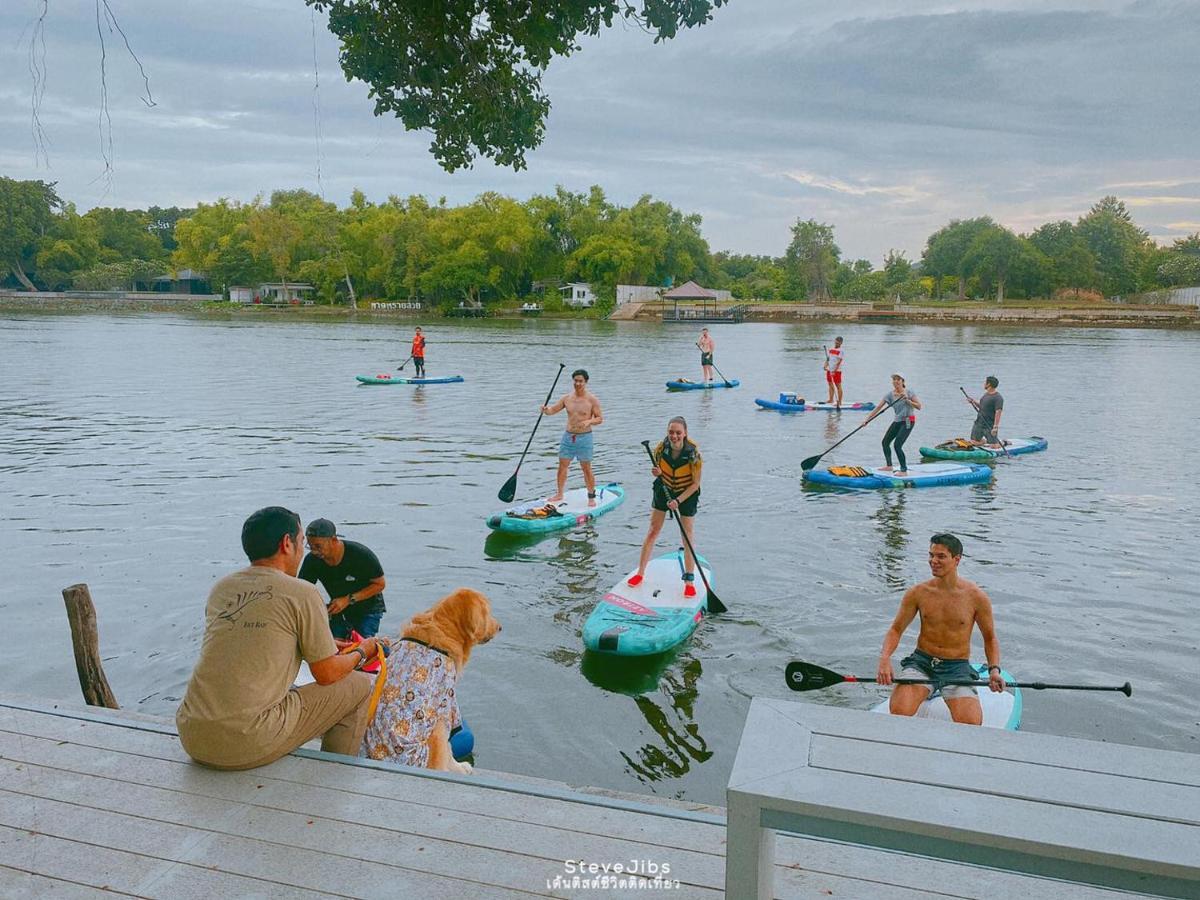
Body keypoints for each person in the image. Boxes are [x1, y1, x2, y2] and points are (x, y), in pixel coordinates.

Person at [176, 506, 383, 770]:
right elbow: (327, 674)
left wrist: (325, 645)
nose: (303, 550)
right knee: (359, 684)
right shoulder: (303, 593)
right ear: (287, 543)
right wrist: (363, 651)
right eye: (301, 542)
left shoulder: (222, 588)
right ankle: (334, 778)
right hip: (246, 742)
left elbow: (255, 640)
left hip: (193, 735)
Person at [877, 533, 1004, 726]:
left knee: (971, 724)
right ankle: (926, 690)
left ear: (957, 559)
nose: (933, 561)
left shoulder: (976, 597)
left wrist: (994, 670)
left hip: (956, 668)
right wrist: (884, 660)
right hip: (922, 664)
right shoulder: (918, 593)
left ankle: (935, 691)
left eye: (941, 556)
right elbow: (896, 630)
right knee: (899, 712)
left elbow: (990, 639)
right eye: (931, 555)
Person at [628, 416, 703, 597]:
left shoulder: (694, 455)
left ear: (685, 434)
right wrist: (657, 473)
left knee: (686, 535)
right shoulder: (660, 449)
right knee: (653, 530)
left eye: (678, 433)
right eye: (671, 432)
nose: (674, 436)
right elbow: (659, 472)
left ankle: (689, 581)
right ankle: (640, 573)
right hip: (664, 489)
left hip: (687, 493)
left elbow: (695, 484)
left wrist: (678, 501)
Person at [298, 518, 387, 640]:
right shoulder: (312, 560)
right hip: (337, 610)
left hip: (368, 609)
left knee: (362, 645)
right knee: (334, 645)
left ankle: (385, 649)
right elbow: (303, 590)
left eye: (318, 546)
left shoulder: (360, 555)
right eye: (310, 546)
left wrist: (348, 600)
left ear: (333, 540)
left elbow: (380, 584)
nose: (314, 551)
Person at [542, 368, 604, 507]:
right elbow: (553, 410)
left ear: (586, 382)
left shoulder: (592, 399)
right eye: (575, 381)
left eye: (580, 381)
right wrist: (546, 410)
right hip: (568, 437)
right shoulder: (567, 398)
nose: (577, 384)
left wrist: (589, 421)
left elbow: (600, 419)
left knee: (586, 468)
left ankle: (591, 497)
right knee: (562, 466)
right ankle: (559, 493)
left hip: (585, 438)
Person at [863, 372, 922, 474]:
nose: (896, 381)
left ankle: (904, 470)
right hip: (897, 421)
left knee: (897, 445)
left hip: (908, 421)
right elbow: (878, 407)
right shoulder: (889, 395)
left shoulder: (909, 392)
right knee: (885, 442)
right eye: (894, 379)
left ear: (902, 381)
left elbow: (919, 406)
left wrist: (907, 400)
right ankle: (889, 466)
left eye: (898, 379)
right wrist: (867, 420)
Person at [966, 376, 1004, 447]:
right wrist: (973, 401)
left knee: (994, 446)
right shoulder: (985, 395)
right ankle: (985, 442)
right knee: (973, 442)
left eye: (985, 382)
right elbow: (982, 407)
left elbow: (998, 412)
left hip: (989, 426)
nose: (984, 384)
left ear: (988, 384)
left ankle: (1003, 443)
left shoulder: (998, 398)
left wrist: (995, 427)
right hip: (979, 423)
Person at [824, 336, 845, 407]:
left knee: (838, 385)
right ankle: (831, 399)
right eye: (836, 342)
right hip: (829, 369)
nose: (836, 343)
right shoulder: (831, 349)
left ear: (841, 343)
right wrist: (825, 365)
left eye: (838, 342)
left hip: (837, 371)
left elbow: (839, 362)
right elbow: (828, 358)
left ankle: (840, 402)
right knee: (830, 384)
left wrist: (834, 371)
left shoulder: (841, 351)